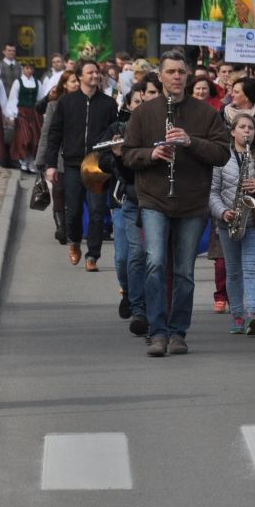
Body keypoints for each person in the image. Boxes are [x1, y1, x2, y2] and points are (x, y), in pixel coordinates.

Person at [122, 50, 230, 357]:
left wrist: (191, 142)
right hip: (154, 198)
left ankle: (177, 331)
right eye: (170, 72)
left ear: (188, 74)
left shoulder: (205, 113)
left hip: (192, 201)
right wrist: (151, 154)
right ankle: (157, 331)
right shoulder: (144, 113)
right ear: (160, 76)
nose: (177, 77)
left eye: (181, 71)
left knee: (184, 271)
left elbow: (222, 153)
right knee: (155, 262)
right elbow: (128, 154)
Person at [43, 60, 119, 271]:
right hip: (73, 164)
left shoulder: (108, 104)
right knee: (73, 211)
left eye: (96, 72)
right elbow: (54, 134)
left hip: (97, 165)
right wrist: (50, 164)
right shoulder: (66, 102)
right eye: (90, 72)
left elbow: (115, 132)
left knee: (97, 211)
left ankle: (92, 255)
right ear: (79, 76)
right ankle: (75, 241)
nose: (95, 75)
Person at [209, 113, 255, 335]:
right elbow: (212, 192)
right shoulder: (221, 158)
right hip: (228, 223)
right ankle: (237, 316)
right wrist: (223, 212)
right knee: (233, 272)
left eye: (250, 128)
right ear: (232, 132)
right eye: (242, 127)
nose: (247, 131)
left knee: (251, 269)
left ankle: (252, 314)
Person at [98, 86, 148, 331]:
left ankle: (141, 305)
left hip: (150, 198)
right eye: (136, 101)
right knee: (122, 257)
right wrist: (118, 157)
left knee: (143, 255)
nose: (140, 105)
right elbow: (101, 160)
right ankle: (128, 291)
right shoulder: (117, 128)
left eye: (144, 101)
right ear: (128, 105)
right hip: (122, 198)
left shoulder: (155, 126)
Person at [36, 69, 79, 245]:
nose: (76, 84)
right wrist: (41, 160)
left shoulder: (84, 104)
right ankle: (61, 227)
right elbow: (46, 133)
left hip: (78, 156)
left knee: (74, 195)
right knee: (59, 190)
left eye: (77, 81)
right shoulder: (54, 105)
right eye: (73, 81)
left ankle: (71, 224)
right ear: (64, 85)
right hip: (59, 156)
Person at [4, 62, 45, 173]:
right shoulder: (18, 82)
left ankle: (31, 162)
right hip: (22, 113)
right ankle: (23, 161)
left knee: (35, 138)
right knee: (24, 138)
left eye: (31, 68)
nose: (29, 70)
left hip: (35, 114)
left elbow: (41, 99)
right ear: (23, 69)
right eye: (27, 68)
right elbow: (13, 98)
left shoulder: (37, 83)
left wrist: (43, 113)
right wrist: (12, 115)